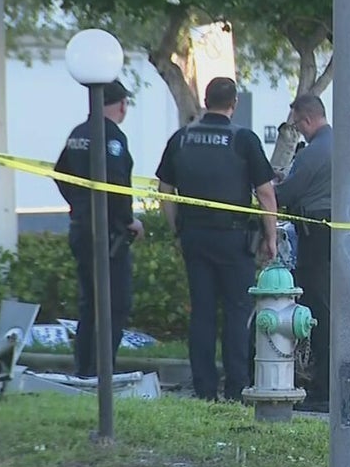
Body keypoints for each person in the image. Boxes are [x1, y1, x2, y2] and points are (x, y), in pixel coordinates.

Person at [155, 77, 278, 402]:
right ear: (233, 104)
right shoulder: (243, 139)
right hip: (234, 240)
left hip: (195, 237)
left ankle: (205, 389)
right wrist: (271, 238)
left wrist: (177, 231)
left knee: (203, 313)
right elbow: (265, 193)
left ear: (206, 101)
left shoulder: (181, 138)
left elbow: (164, 191)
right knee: (237, 313)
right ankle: (237, 388)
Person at [54, 80, 143, 378]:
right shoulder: (112, 136)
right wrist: (128, 219)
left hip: (81, 227)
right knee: (114, 304)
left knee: (89, 302)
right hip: (109, 234)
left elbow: (60, 174)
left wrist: (79, 204)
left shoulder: (78, 133)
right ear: (120, 105)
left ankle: (84, 368)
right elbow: (116, 183)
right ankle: (101, 371)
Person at [274, 94, 333, 404]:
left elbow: (288, 193)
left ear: (307, 119)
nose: (298, 129)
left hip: (316, 235)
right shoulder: (338, 143)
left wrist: (268, 189)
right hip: (335, 236)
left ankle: (322, 390)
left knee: (319, 313)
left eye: (297, 123)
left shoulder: (312, 153)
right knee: (329, 310)